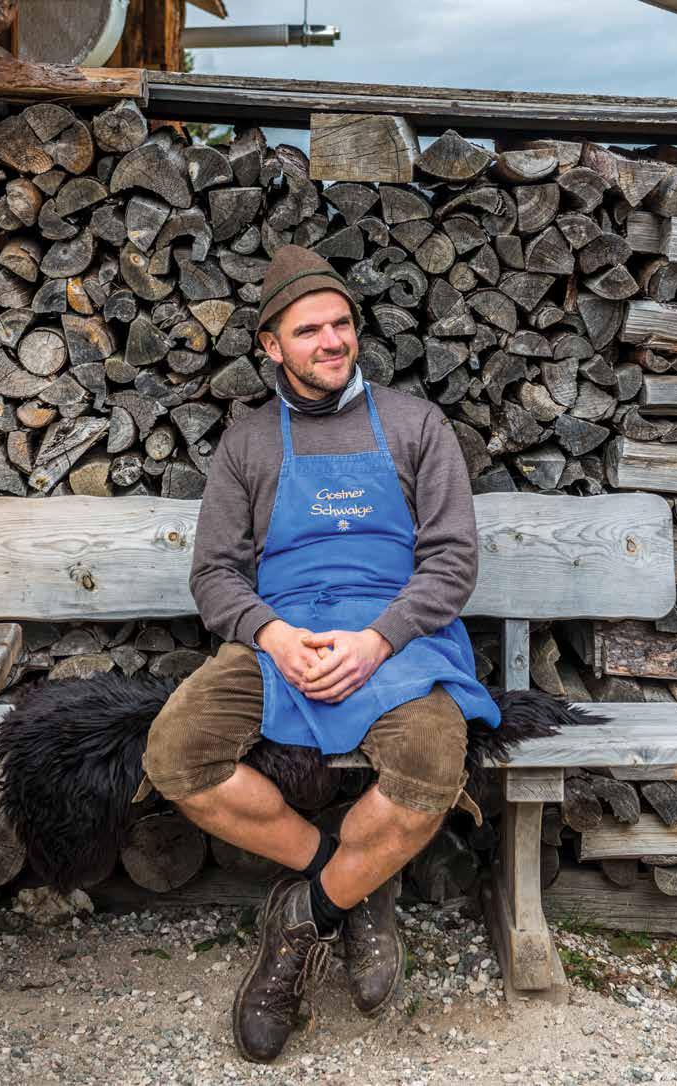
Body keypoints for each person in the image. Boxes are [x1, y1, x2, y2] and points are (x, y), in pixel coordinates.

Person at [133, 244, 500, 1063]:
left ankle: (305, 919)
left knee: (433, 769)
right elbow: (215, 573)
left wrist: (377, 640)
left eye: (342, 324)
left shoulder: (415, 425)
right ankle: (349, 879)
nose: (333, 342)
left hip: (398, 641)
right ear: (271, 346)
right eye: (310, 330)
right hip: (282, 639)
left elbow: (452, 561)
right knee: (175, 754)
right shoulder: (248, 441)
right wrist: (270, 634)